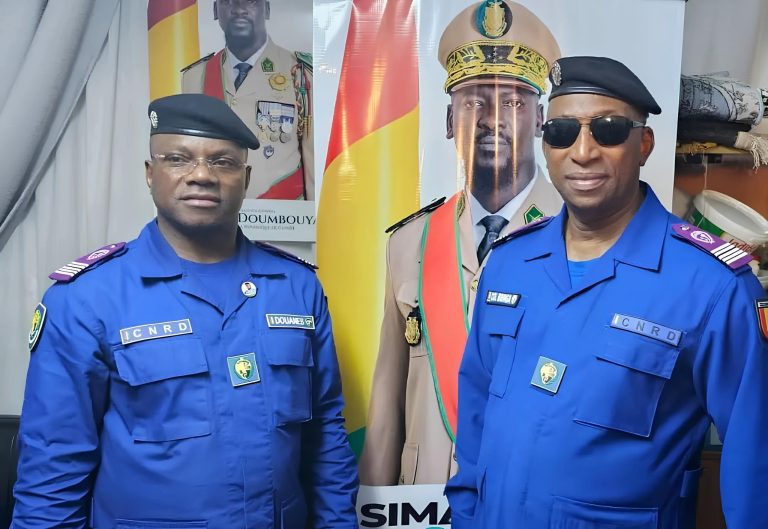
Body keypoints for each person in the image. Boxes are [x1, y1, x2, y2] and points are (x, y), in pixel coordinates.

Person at [446, 56, 768, 528]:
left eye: (609, 130)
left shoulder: (714, 287)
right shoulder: (510, 264)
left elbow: (756, 462)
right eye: (560, 132)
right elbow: (476, 411)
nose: (582, 152)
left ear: (644, 144)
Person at [11, 94, 358, 528]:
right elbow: (52, 471)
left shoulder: (295, 287)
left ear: (247, 178)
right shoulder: (87, 298)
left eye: (223, 162)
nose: (201, 175)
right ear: (149, 173)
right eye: (178, 159)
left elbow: (326, 439)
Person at [359, 0, 562, 486]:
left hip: (527, 495)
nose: (492, 119)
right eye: (473, 102)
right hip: (423, 500)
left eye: (514, 102)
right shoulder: (410, 242)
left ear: (540, 119)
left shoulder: (577, 234)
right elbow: (387, 397)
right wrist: (373, 503)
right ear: (450, 120)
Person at [181, 0, 314, 201]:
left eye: (250, 1)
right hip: (216, 210)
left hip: (281, 214)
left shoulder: (300, 72)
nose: (239, 9)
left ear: (266, 9)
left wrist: (314, 216)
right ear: (216, 10)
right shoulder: (196, 76)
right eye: (228, 1)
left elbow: (313, 160)